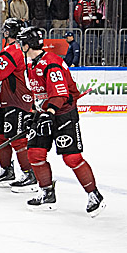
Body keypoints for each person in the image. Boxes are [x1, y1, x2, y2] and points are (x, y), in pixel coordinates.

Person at [16, 26, 105, 214]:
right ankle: (47, 192)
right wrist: (32, 113)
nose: (18, 45)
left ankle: (93, 194)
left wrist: (49, 113)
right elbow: (39, 94)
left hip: (63, 114)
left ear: (26, 45)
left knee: (71, 157)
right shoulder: (32, 64)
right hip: (44, 114)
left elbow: (59, 94)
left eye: (20, 42)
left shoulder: (51, 63)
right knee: (35, 153)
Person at [0, 18, 37, 191]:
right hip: (9, 101)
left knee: (17, 139)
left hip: (17, 101)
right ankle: (6, 170)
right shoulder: (14, 50)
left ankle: (29, 173)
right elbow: (5, 67)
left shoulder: (13, 50)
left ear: (8, 32)